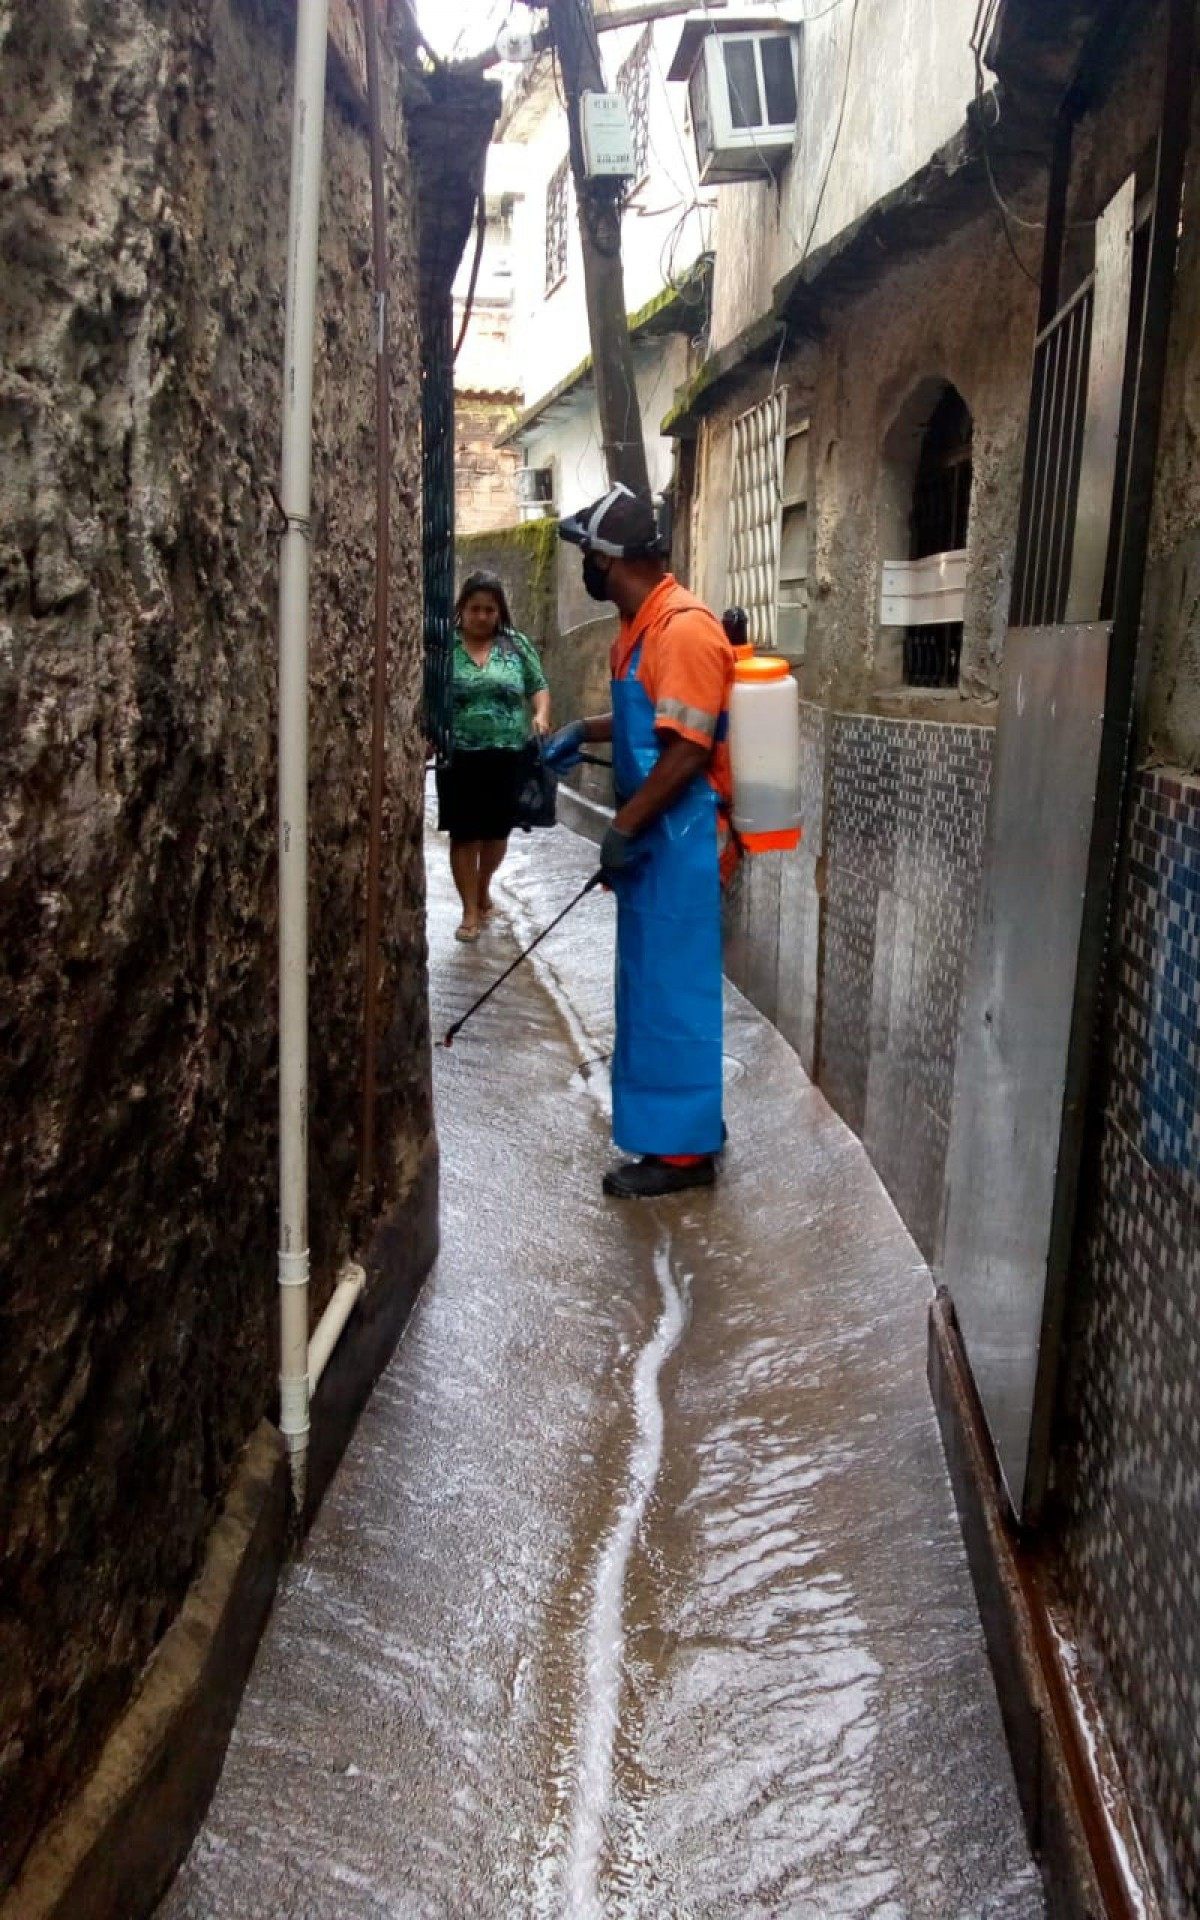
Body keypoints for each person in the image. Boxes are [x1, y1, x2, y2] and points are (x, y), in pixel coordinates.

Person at [544, 485, 734, 1199]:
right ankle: (680, 1128)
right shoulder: (641, 627)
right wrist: (583, 729)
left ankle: (683, 1158)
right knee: (652, 991)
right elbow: (651, 716)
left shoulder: (683, 629)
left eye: (587, 557)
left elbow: (687, 749)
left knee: (673, 995)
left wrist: (623, 828)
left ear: (609, 559)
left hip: (684, 841)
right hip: (661, 840)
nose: (585, 569)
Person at [436, 570, 550, 942]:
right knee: (464, 832)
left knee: (496, 831)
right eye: (475, 609)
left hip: (507, 754)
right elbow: (430, 692)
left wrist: (541, 714)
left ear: (499, 611)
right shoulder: (445, 649)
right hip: (459, 754)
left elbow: (538, 685)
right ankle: (470, 910)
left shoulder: (515, 645)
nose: (482, 616)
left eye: (489, 609)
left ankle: (483, 886)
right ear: (462, 609)